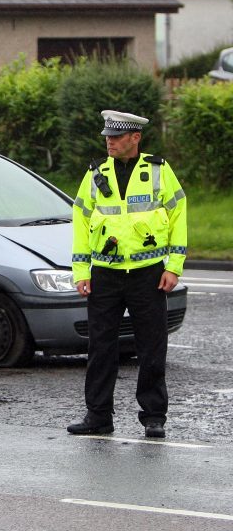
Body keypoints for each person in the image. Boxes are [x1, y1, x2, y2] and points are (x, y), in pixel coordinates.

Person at [67, 110, 187, 439]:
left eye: (116, 137)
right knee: (101, 347)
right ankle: (98, 415)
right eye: (107, 136)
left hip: (148, 273)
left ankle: (153, 416)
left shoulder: (158, 171)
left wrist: (173, 267)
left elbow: (178, 214)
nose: (109, 141)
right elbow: (80, 221)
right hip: (105, 274)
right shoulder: (95, 173)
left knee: (151, 346)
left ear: (135, 138)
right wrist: (81, 270)